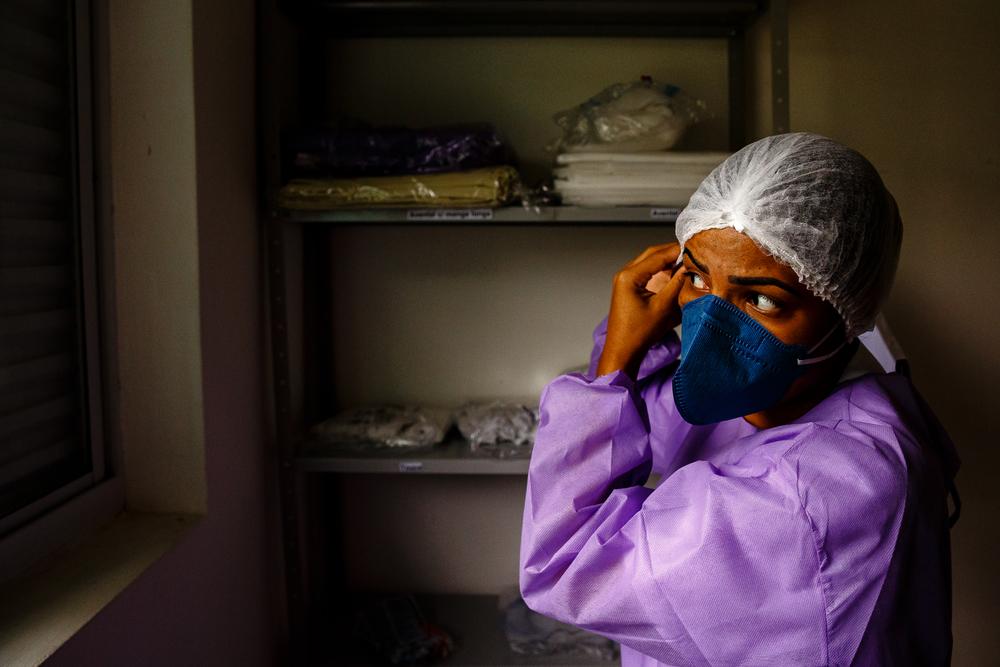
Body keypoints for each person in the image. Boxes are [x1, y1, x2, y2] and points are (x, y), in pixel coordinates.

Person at [519, 133, 960, 666]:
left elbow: (564, 569)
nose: (710, 327)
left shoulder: (815, 493)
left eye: (761, 298)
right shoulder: (781, 389)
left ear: (848, 311)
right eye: (698, 279)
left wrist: (614, 364)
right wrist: (636, 346)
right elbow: (658, 429)